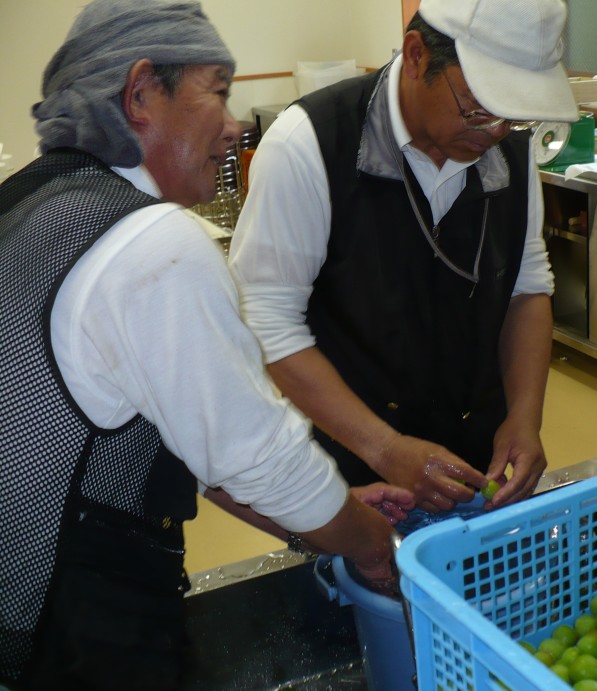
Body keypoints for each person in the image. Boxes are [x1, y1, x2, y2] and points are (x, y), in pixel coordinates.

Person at [0, 1, 413, 688]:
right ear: (140, 95)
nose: (232, 124)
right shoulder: (152, 243)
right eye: (217, 90)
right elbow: (260, 456)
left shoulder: (28, 203)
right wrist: (375, 552)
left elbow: (204, 440)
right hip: (66, 636)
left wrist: (331, 515)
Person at [229, 0, 579, 514]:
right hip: (350, 453)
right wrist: (385, 448)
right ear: (416, 55)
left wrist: (524, 417)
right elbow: (267, 322)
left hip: (473, 448)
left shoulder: (510, 148)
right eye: (479, 108)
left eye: (514, 112)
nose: (496, 131)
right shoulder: (309, 144)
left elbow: (526, 286)